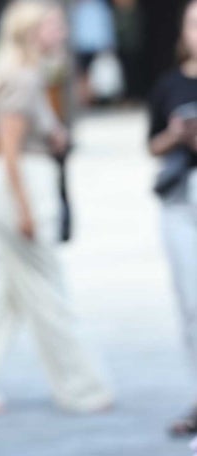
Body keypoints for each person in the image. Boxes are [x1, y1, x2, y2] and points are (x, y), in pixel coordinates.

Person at [0, 0, 114, 415]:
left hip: (23, 187)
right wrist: (25, 209)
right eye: (53, 25)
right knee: (50, 294)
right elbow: (8, 150)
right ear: (31, 31)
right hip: (24, 190)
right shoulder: (23, 79)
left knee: (5, 299)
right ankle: (81, 388)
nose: (61, 31)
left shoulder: (27, 75)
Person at [147, 0, 197, 437]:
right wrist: (176, 135)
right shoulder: (169, 84)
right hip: (182, 198)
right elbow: (152, 145)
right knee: (192, 305)